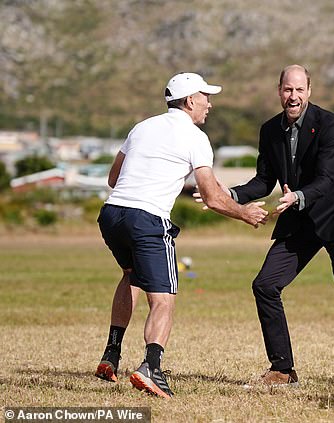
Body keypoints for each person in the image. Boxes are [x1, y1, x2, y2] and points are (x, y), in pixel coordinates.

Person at [94, 72, 268, 398]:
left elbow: (114, 179)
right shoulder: (195, 137)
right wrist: (245, 213)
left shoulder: (143, 126)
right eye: (206, 97)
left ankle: (111, 354)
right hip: (147, 219)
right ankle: (151, 368)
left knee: (131, 275)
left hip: (112, 214)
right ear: (190, 101)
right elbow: (213, 197)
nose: (209, 104)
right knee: (163, 299)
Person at [227, 65, 334, 389]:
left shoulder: (329, 124)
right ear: (279, 91)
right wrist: (228, 195)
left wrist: (297, 196)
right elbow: (264, 180)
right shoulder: (270, 130)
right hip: (299, 216)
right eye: (287, 89)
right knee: (265, 285)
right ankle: (282, 370)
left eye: (299, 89)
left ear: (309, 91)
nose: (293, 96)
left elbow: (328, 179)